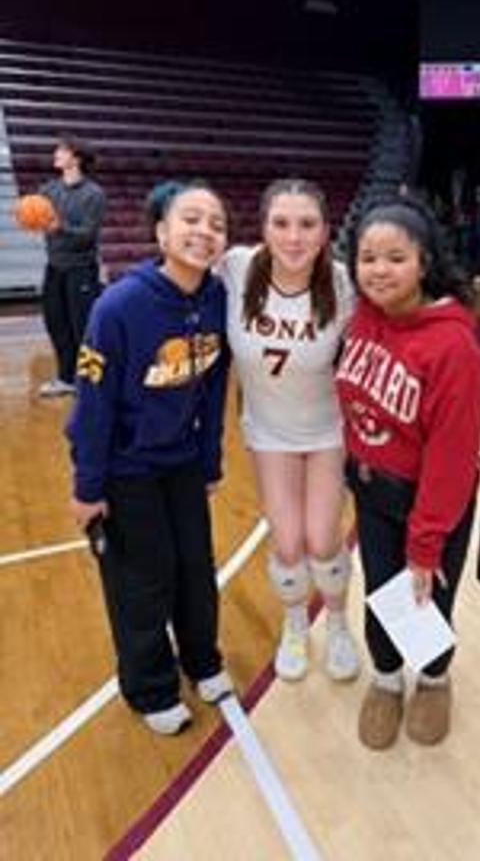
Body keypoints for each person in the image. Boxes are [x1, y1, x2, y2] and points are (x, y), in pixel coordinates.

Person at [67, 181, 233, 735]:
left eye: (216, 224)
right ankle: (150, 687)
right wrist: (88, 486)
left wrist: (209, 461)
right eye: (191, 219)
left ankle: (202, 661)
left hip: (181, 462)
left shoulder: (216, 298)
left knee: (195, 568)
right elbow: (92, 404)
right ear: (161, 232)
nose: (204, 231)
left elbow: (213, 389)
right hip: (125, 469)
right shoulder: (118, 306)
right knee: (142, 580)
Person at [337, 199, 480, 750]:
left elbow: (452, 460)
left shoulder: (454, 349)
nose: (379, 269)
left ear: (424, 263)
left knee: (427, 598)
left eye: (395, 258)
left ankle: (433, 680)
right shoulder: (362, 317)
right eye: (368, 257)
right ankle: (386, 680)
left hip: (433, 501)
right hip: (373, 491)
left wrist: (425, 544)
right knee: (381, 591)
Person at [218, 178, 360, 684]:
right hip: (269, 433)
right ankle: (295, 624)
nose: (294, 237)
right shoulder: (236, 267)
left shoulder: (342, 283)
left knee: (323, 540)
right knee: (288, 543)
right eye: (281, 223)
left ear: (325, 231)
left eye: (307, 224)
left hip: (326, 431)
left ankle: (338, 624)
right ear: (263, 228)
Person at [39, 135, 107, 397]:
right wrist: (28, 217)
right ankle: (66, 378)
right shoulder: (48, 190)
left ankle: (90, 381)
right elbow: (37, 216)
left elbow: (88, 234)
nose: (56, 153)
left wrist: (60, 227)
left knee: (84, 327)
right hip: (54, 266)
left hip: (81, 269)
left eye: (62, 150)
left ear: (76, 158)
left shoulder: (94, 194)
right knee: (56, 324)